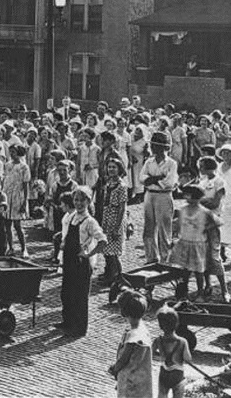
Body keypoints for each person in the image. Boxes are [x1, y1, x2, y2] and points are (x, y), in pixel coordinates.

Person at [56, 187, 107, 337]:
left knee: (80, 296)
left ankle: (78, 329)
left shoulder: (90, 221)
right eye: (76, 200)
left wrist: (89, 253)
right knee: (66, 293)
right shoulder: (72, 217)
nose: (78, 203)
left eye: (82, 200)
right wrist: (64, 243)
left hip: (80, 262)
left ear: (88, 201)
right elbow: (67, 235)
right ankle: (67, 322)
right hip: (69, 259)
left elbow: (103, 241)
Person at [170, 185, 220, 299]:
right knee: (185, 270)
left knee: (198, 271)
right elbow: (178, 223)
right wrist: (175, 232)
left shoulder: (203, 211)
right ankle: (184, 292)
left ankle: (200, 293)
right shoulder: (183, 209)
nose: (185, 196)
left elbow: (218, 222)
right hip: (185, 242)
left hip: (198, 244)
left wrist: (205, 228)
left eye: (188, 194)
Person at [140, 131, 178, 264]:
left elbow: (169, 183)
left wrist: (151, 179)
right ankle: (151, 257)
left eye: (157, 145)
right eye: (153, 145)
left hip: (164, 196)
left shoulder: (171, 163)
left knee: (164, 228)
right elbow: (142, 179)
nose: (153, 148)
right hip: (149, 195)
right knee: (148, 228)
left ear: (164, 147)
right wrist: (157, 178)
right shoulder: (149, 161)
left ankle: (165, 258)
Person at [108, 290, 152, 398]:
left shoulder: (132, 337)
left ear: (124, 312)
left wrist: (114, 369)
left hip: (130, 380)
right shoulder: (142, 329)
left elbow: (124, 359)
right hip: (142, 379)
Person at [197, 156, 228, 300]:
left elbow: (215, 203)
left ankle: (224, 290)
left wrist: (202, 201)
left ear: (209, 167)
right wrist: (203, 201)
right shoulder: (202, 182)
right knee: (203, 256)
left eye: (202, 166)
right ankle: (207, 285)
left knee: (215, 256)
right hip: (201, 222)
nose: (200, 169)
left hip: (213, 222)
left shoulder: (219, 181)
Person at [153, 305, 193, 398]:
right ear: (176, 324)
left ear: (160, 326)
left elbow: (149, 354)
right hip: (177, 375)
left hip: (163, 374)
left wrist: (160, 357)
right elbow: (188, 359)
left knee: (162, 395)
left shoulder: (158, 340)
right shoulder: (182, 341)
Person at [99, 158, 128, 286]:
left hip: (115, 217)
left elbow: (122, 208)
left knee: (113, 251)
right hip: (107, 217)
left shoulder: (121, 186)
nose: (111, 169)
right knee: (106, 248)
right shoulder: (108, 183)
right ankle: (108, 272)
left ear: (119, 169)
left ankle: (116, 276)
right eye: (109, 167)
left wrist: (117, 227)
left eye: (114, 167)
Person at [3, 144, 30, 256]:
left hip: (18, 197)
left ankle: (24, 249)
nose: (11, 154)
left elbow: (25, 185)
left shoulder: (24, 167)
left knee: (17, 225)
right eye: (10, 152)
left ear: (19, 153)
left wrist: (25, 201)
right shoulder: (7, 165)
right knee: (7, 224)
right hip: (7, 195)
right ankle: (11, 247)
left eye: (13, 152)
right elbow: (4, 179)